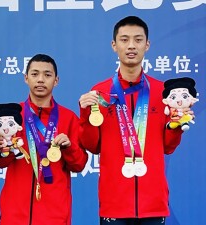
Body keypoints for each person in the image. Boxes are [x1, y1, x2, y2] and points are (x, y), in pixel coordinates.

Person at [78, 16, 191, 225]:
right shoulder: (100, 93)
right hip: (114, 204)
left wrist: (176, 126)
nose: (131, 46)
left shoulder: (162, 92)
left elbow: (168, 146)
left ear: (147, 45)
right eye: (124, 40)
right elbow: (92, 146)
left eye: (138, 40)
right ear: (114, 45)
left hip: (153, 204)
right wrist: (86, 114)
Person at [0, 53, 89, 225]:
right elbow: (1, 162)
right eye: (35, 74)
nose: (40, 80)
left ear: (56, 80)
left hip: (54, 215)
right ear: (26, 78)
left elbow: (79, 164)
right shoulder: (12, 117)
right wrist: (3, 150)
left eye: (47, 75)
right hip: (15, 215)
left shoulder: (69, 118)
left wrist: (69, 148)